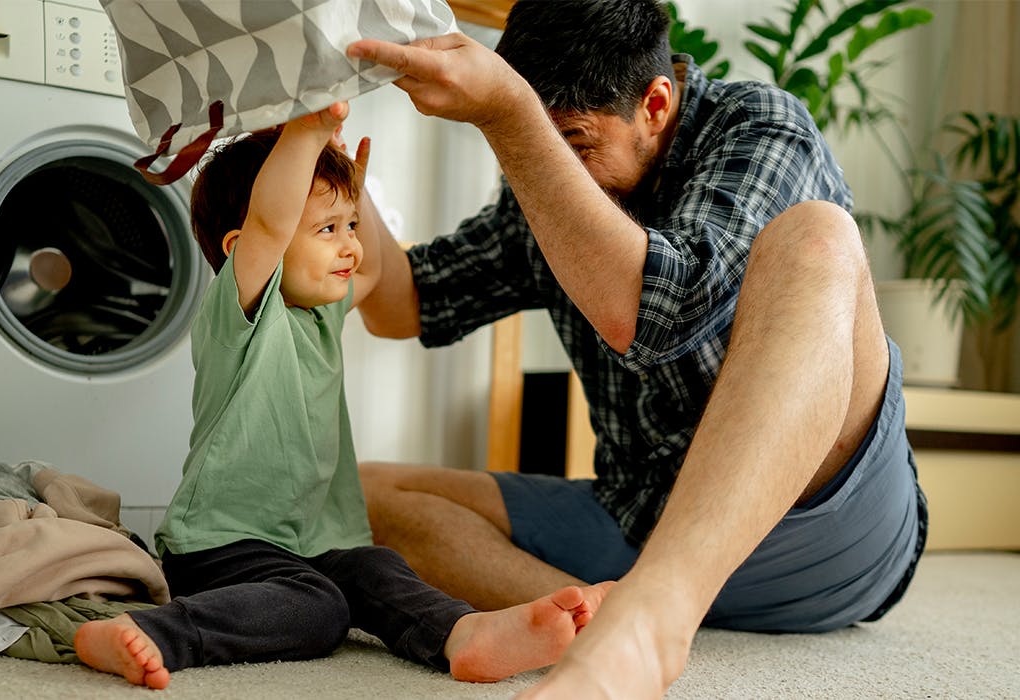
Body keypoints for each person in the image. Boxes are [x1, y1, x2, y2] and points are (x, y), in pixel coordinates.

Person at [344, 0, 926, 697]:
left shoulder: (758, 127)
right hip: (642, 516)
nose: (558, 168)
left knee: (818, 237)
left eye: (577, 144)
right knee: (358, 495)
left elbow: (654, 316)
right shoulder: (551, 169)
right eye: (543, 142)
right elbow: (401, 303)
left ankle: (654, 617)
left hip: (825, 527)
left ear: (656, 103)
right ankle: (600, 616)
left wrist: (511, 116)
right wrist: (340, 168)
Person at [72, 102, 611, 690]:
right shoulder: (246, 310)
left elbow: (375, 271)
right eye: (328, 231)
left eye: (348, 227)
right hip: (223, 547)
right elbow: (271, 225)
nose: (349, 246)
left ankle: (465, 636)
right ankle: (159, 631)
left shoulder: (322, 316)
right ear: (239, 248)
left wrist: (356, 193)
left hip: (309, 544)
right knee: (319, 609)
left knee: (374, 567)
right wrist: (304, 136)